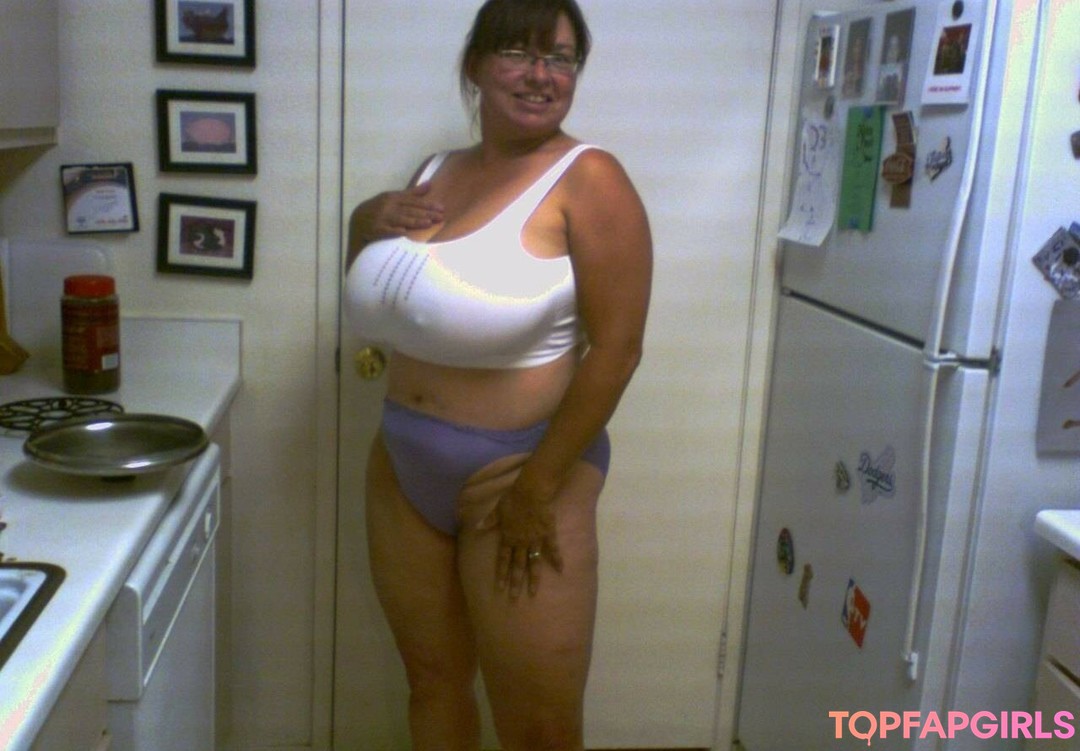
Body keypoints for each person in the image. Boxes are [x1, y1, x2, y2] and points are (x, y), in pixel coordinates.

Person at [343, 0, 652, 748]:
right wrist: (363, 218)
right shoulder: (436, 171)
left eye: (561, 59)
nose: (542, 75)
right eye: (519, 53)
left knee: (538, 726)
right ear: (476, 65)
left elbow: (617, 350)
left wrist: (536, 489)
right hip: (403, 465)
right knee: (433, 682)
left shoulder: (591, 178)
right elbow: (392, 288)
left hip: (521, 475)